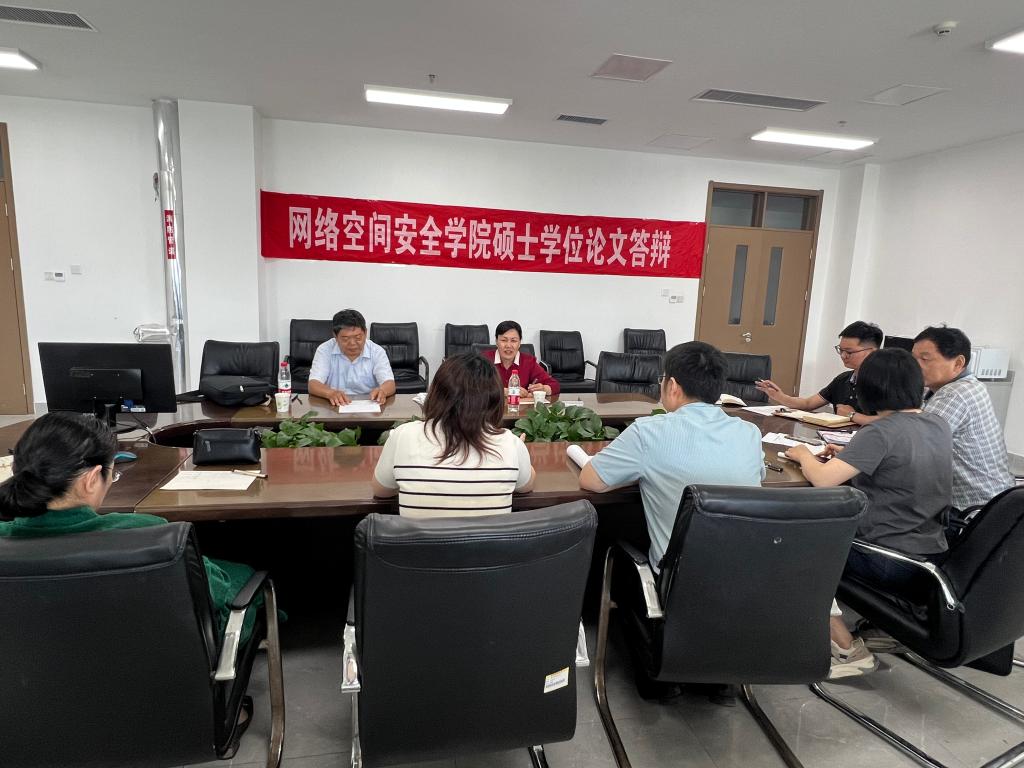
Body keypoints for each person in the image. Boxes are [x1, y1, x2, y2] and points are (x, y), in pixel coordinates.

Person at [0, 412, 260, 645]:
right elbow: (215, 590)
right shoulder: (149, 534)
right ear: (91, 479)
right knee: (244, 577)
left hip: (36, 671)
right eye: (113, 475)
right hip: (158, 669)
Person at [784, 348, 952, 679]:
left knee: (792, 546)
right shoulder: (937, 424)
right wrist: (852, 454)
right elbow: (901, 457)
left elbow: (823, 480)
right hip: (930, 554)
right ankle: (886, 628)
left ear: (869, 389)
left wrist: (803, 454)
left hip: (884, 556)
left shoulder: (880, 432)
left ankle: (846, 650)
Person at [580, 340, 765, 571]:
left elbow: (591, 480)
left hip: (679, 581)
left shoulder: (648, 432)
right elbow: (757, 476)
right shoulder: (749, 433)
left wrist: (643, 473)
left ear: (673, 386)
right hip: (748, 574)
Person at [373, 352, 535, 517]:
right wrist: (518, 451)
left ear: (435, 394)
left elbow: (381, 491)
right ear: (495, 400)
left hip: (420, 535)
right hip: (487, 536)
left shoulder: (403, 436)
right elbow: (526, 486)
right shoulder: (509, 443)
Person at [913, 326, 1014, 512]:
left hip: (972, 510)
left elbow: (912, 445)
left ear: (958, 363)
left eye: (925, 359)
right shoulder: (952, 387)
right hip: (997, 500)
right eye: (913, 358)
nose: (915, 366)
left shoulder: (956, 393)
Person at [756, 321, 883, 425]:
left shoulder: (885, 382)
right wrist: (779, 396)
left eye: (849, 352)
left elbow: (890, 423)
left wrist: (852, 415)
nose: (843, 356)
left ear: (871, 351)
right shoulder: (843, 379)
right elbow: (808, 404)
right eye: (841, 350)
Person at [308, 308, 396, 406]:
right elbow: (313, 384)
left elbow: (389, 383)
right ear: (335, 336)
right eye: (345, 339)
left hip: (368, 405)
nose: (352, 343)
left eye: (358, 337)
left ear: (365, 333)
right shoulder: (325, 350)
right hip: (334, 405)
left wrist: (382, 391)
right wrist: (330, 393)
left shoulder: (377, 351)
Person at [486, 320, 560, 397]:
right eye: (504, 340)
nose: (508, 345)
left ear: (519, 343)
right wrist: (504, 391)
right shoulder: (484, 360)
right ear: (496, 341)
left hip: (520, 405)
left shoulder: (528, 361)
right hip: (492, 405)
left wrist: (543, 389)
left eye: (513, 341)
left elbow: (555, 385)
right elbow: (477, 387)